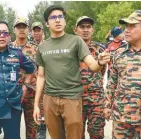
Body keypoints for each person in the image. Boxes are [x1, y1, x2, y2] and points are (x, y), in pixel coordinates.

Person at [33, 5, 110, 139]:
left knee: (75, 135)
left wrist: (100, 62)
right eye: (53, 17)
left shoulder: (76, 41)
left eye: (60, 17)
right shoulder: (42, 46)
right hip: (50, 98)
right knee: (56, 136)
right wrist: (36, 104)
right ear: (46, 23)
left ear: (65, 21)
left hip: (72, 98)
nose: (57, 20)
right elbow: (40, 76)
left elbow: (92, 65)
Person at [104, 10, 141, 138]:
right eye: (126, 26)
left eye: (132, 26)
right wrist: (107, 105)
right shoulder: (118, 53)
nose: (126, 30)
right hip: (121, 117)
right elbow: (112, 82)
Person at [0, 21, 35, 139]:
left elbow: (31, 70)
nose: (1, 36)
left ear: (9, 37)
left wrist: (25, 86)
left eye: (5, 33)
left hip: (13, 106)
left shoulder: (17, 53)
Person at [73, 16, 106, 139]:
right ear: (75, 30)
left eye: (88, 27)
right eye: (82, 27)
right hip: (75, 98)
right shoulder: (70, 50)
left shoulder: (100, 49)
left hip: (96, 99)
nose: (85, 30)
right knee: (75, 134)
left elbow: (102, 72)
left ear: (93, 30)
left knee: (97, 133)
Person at [12, 17, 38, 139]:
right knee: (12, 128)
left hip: (32, 93)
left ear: (28, 29)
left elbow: (41, 70)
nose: (21, 30)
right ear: (14, 30)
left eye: (24, 27)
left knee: (33, 129)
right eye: (18, 27)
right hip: (13, 94)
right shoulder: (8, 48)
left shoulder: (36, 48)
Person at [31, 21, 47, 139]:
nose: (37, 33)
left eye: (39, 30)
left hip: (44, 83)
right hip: (30, 84)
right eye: (34, 30)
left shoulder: (47, 45)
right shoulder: (28, 47)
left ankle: (42, 128)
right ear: (31, 32)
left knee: (42, 107)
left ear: (42, 31)